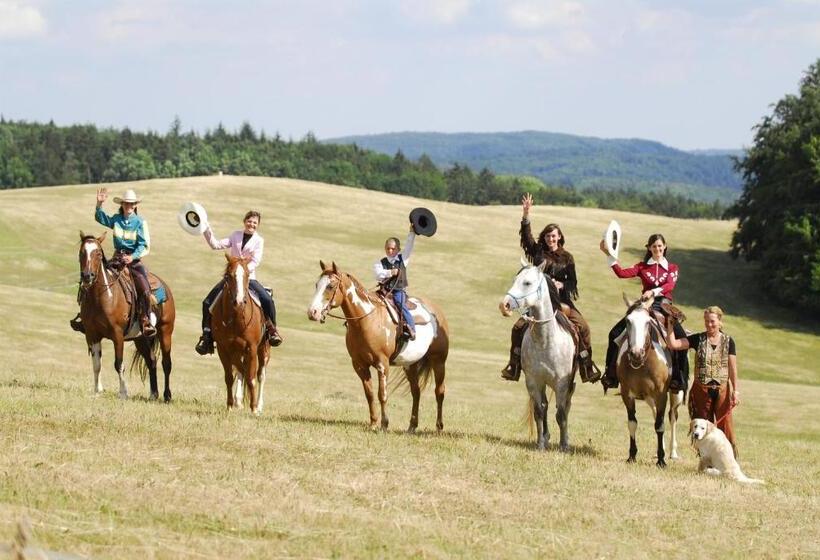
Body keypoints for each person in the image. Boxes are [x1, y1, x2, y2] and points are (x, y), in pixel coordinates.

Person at [501, 193, 601, 383]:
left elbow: (573, 283)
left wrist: (561, 284)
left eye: (553, 236)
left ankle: (586, 367)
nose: (550, 239)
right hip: (538, 303)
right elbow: (527, 238)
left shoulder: (568, 258)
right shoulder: (538, 252)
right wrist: (526, 214)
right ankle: (514, 365)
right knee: (517, 328)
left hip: (561, 302)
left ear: (560, 237)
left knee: (584, 327)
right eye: (547, 236)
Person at [598, 233, 688, 392]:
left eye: (660, 246)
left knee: (682, 338)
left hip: (664, 305)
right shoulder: (642, 266)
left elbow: (669, 286)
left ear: (665, 247)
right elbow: (621, 273)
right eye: (654, 246)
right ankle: (611, 374)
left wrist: (653, 292)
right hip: (645, 306)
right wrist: (609, 255)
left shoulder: (673, 268)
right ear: (649, 248)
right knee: (614, 333)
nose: (657, 249)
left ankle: (678, 378)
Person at [70, 187, 156, 337]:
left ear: (135, 205)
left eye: (131, 204)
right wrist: (99, 204)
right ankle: (85, 317)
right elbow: (101, 218)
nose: (128, 206)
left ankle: (145, 320)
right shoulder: (117, 219)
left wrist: (132, 256)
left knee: (144, 287)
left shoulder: (140, 222)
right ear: (122, 205)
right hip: (116, 259)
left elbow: (145, 245)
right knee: (91, 279)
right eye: (126, 204)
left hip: (133, 260)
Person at [194, 210, 282, 355]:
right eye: (249, 221)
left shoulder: (259, 241)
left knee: (267, 299)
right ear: (244, 221)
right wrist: (205, 228)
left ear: (258, 225)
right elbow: (215, 245)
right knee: (207, 302)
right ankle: (206, 335)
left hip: (248, 277)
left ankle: (272, 330)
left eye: (254, 223)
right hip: (232, 278)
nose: (251, 224)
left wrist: (243, 271)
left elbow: (256, 261)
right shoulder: (235, 235)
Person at [666, 306, 740, 457]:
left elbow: (732, 369)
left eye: (712, 321)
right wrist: (670, 325)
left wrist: (735, 391)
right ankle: (706, 459)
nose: (709, 324)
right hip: (701, 390)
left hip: (722, 389)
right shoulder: (698, 339)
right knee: (701, 426)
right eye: (706, 321)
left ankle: (726, 458)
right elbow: (673, 344)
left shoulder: (728, 341)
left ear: (720, 321)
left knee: (724, 426)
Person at [374, 223, 417, 340]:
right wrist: (390, 273)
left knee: (399, 303)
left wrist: (412, 232)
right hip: (384, 291)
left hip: (398, 291)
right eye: (388, 248)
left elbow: (409, 245)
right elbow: (377, 275)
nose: (390, 250)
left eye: (393, 248)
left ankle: (411, 328)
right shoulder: (380, 262)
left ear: (398, 249)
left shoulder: (403, 259)